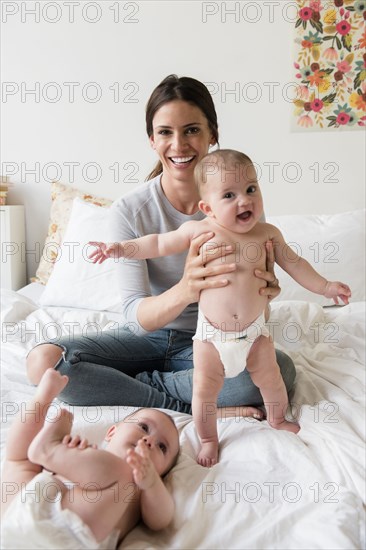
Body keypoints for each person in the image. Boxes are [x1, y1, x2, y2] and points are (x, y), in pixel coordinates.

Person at [26, 74, 295, 417]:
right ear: (152, 140)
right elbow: (136, 318)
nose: (179, 145)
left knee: (279, 371)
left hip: (212, 342)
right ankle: (188, 399)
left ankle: (157, 387)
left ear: (213, 134)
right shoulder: (130, 210)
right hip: (146, 339)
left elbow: (256, 307)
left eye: (192, 130)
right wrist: (186, 288)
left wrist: (265, 296)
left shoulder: (240, 203)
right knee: (44, 364)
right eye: (166, 132)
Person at [89, 149, 351, 466]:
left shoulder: (268, 233)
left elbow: (295, 264)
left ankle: (278, 419)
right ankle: (209, 439)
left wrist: (325, 287)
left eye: (251, 189)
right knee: (205, 391)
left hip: (255, 334)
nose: (245, 200)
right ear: (207, 207)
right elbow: (157, 243)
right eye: (229, 195)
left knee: (272, 380)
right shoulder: (201, 231)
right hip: (211, 336)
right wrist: (119, 248)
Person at [1, 369, 180, 549]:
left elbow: (161, 521)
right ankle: (42, 398)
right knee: (19, 461)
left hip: (62, 537)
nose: (149, 441)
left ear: (163, 471)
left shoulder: (141, 487)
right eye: (143, 427)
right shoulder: (86, 452)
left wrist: (151, 483)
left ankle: (49, 449)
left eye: (162, 447)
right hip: (17, 511)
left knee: (124, 475)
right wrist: (76, 458)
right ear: (112, 432)